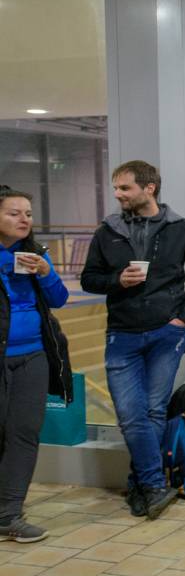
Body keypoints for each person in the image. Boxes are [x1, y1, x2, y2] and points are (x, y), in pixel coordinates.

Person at [81, 161, 185, 520]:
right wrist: (116, 281)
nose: (117, 194)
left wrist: (183, 319)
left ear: (149, 188)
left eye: (124, 188)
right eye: (116, 188)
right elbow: (89, 279)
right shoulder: (106, 232)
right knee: (130, 415)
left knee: (154, 411)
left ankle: (141, 484)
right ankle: (153, 485)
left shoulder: (183, 230)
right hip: (121, 335)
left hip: (166, 334)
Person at [0, 187, 72, 543]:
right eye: (14, 213)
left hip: (34, 356)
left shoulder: (37, 254)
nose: (24, 219)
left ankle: (9, 514)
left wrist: (45, 273)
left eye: (28, 213)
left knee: (24, 433)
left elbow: (59, 299)